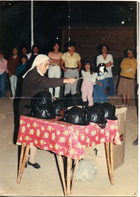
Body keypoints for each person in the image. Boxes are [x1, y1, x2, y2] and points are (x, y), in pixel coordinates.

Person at [19, 54, 75, 169]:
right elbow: (47, 82)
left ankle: (32, 160)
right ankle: (23, 159)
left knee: (34, 135)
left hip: (37, 107)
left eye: (48, 65)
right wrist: (66, 80)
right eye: (46, 65)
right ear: (38, 64)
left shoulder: (39, 74)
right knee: (27, 136)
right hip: (27, 108)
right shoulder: (32, 75)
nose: (48, 67)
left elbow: (43, 89)